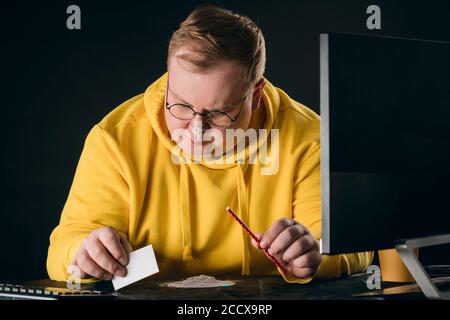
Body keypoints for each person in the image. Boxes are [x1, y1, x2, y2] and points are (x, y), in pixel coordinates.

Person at [47, 5, 373, 283]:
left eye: (219, 113)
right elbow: (64, 247)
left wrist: (315, 254)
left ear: (255, 94)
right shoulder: (115, 139)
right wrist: (83, 253)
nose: (196, 129)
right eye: (180, 105)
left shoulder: (309, 138)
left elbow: (354, 248)